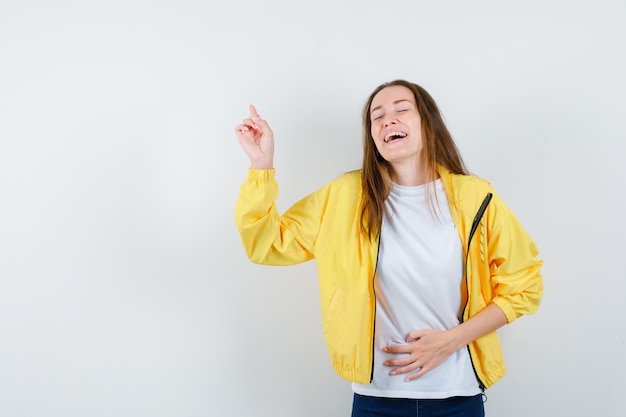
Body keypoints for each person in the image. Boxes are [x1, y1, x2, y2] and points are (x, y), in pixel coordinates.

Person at [234, 79, 543, 417]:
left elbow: (523, 287)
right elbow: (266, 244)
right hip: (375, 400)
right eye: (376, 116)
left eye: (401, 110)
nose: (387, 120)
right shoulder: (345, 196)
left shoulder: (476, 197)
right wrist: (261, 167)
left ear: (427, 123)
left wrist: (451, 341)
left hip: (457, 395)